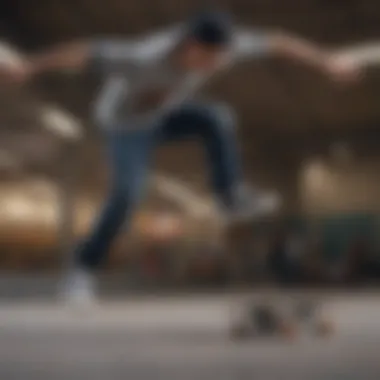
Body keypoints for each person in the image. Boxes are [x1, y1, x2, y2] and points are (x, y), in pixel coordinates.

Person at [0, 11, 358, 305]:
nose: (210, 67)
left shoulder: (227, 48)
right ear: (188, 45)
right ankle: (80, 271)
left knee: (217, 117)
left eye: (218, 60)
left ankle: (230, 195)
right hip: (124, 126)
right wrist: (30, 66)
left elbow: (280, 42)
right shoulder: (143, 56)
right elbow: (82, 51)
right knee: (126, 196)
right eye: (204, 59)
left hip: (165, 118)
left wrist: (327, 62)